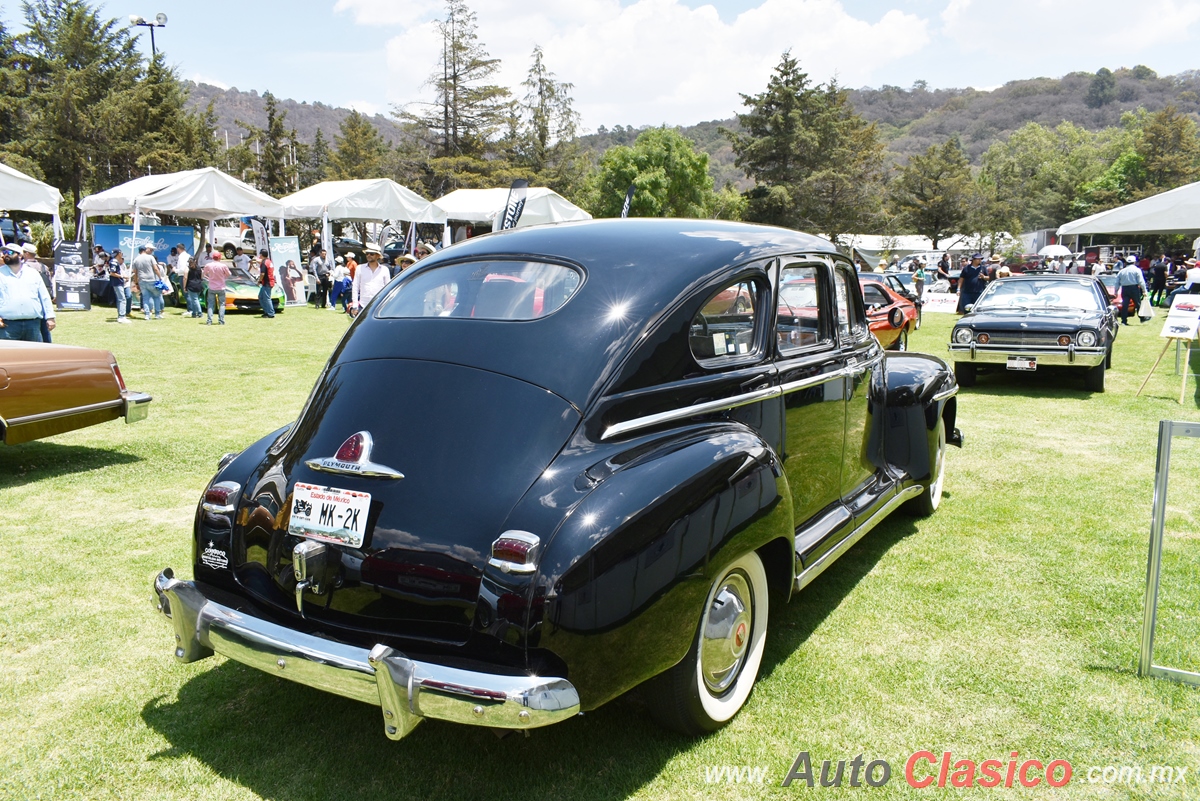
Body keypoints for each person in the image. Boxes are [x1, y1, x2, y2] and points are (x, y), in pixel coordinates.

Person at [0, 249, 55, 341]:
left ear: (20, 255)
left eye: (9, 253)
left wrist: (50, 317)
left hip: (33, 324)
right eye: (4, 253)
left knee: (35, 354)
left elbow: (44, 296)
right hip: (8, 325)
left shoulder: (33, 273)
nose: (5, 255)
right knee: (9, 355)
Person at [351, 245, 390, 315]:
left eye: (372, 254)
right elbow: (355, 287)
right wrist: (355, 305)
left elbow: (388, 289)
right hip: (363, 306)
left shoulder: (384, 270)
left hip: (379, 306)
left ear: (378, 256)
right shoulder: (360, 268)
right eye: (367, 253)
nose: (369, 255)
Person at [132, 244, 163, 320]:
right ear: (145, 250)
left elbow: (135, 273)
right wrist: (160, 277)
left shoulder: (136, 260)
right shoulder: (150, 257)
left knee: (146, 298)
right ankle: (157, 314)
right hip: (151, 279)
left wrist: (136, 283)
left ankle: (147, 315)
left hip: (142, 280)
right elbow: (156, 269)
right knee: (156, 296)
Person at [201, 251, 231, 325]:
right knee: (222, 304)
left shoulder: (208, 265)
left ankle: (209, 321)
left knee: (210, 304)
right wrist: (223, 277)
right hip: (221, 287)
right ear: (220, 258)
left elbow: (203, 274)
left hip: (212, 287)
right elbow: (229, 274)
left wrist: (208, 277)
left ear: (212, 257)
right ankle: (221, 321)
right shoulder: (223, 266)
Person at [1116, 258, 1148, 324]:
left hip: (1125, 288)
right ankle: (1142, 318)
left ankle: (1124, 320)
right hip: (1134, 288)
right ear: (1134, 262)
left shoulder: (1122, 271)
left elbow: (1117, 282)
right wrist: (1144, 290)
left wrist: (1116, 291)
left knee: (1125, 305)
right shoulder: (1137, 270)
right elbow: (1141, 281)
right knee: (1138, 303)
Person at [108, 249, 131, 324]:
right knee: (122, 299)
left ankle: (121, 315)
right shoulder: (114, 262)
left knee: (120, 299)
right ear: (119, 253)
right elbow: (112, 273)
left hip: (118, 282)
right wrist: (123, 276)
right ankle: (122, 316)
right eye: (121, 253)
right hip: (117, 282)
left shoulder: (115, 261)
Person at [257, 248, 276, 318]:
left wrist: (259, 281)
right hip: (270, 281)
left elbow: (262, 274)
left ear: (261, 255)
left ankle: (270, 313)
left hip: (267, 283)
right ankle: (266, 311)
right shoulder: (268, 261)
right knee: (261, 297)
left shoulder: (264, 263)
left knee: (267, 298)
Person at [175, 242, 192, 313]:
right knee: (189, 293)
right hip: (189, 275)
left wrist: (175, 270)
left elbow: (182, 269)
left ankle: (190, 309)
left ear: (178, 249)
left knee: (186, 293)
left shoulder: (181, 257)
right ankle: (191, 309)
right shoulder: (188, 255)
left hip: (183, 275)